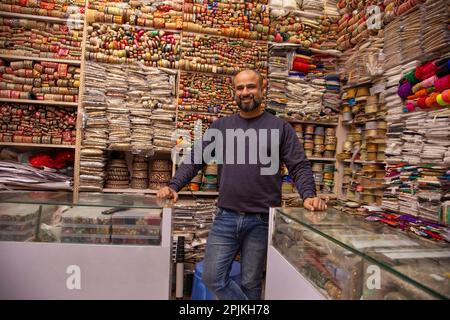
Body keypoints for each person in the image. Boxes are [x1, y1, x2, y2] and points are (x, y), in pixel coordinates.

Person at [157, 69, 327, 300]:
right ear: (234, 92)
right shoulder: (220, 127)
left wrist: (308, 194)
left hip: (261, 219)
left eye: (250, 87)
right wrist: (174, 185)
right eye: (240, 88)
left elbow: (299, 165)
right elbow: (196, 159)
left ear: (262, 88)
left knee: (251, 282)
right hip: (226, 216)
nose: (245, 92)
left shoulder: (280, 128)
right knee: (211, 276)